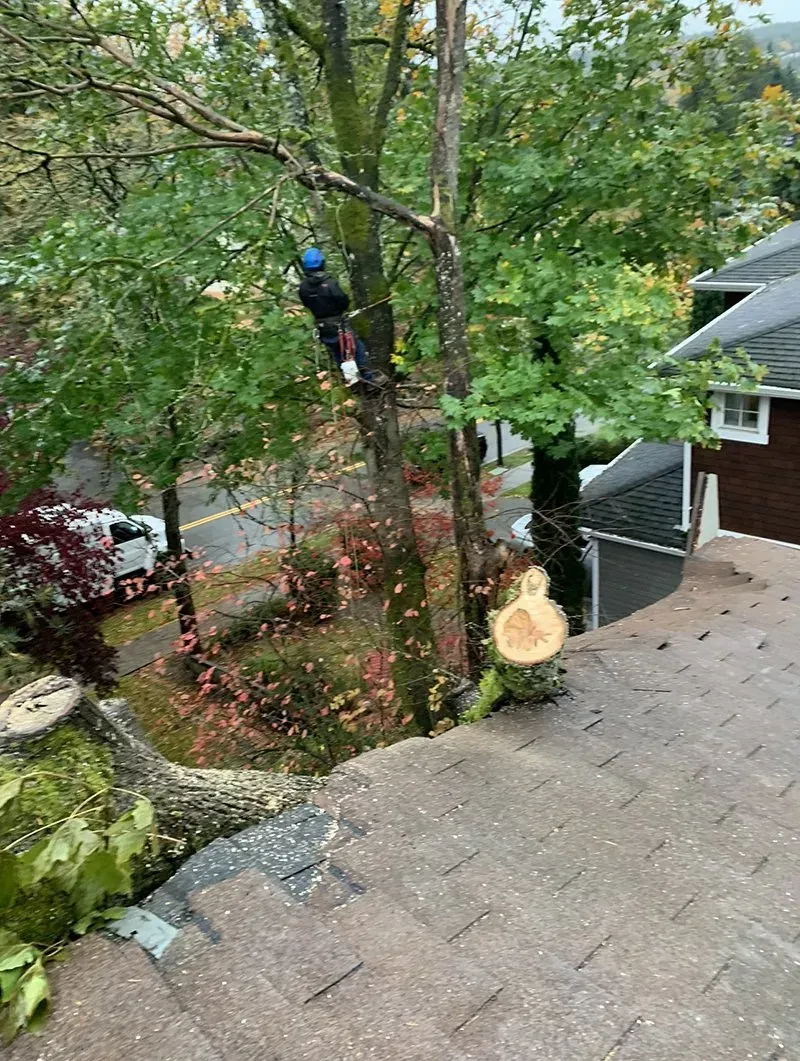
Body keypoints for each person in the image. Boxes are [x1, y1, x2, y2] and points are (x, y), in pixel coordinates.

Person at [298, 248, 371, 384]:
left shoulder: (303, 287)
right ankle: (367, 377)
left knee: (338, 352)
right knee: (357, 348)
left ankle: (350, 379)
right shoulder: (330, 284)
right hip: (338, 324)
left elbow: (306, 303)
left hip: (322, 327)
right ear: (322, 263)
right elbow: (343, 301)